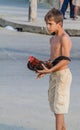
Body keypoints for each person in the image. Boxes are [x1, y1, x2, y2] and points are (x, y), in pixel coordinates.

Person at [37, 8, 72, 130]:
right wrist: (44, 69)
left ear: (59, 24)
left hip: (62, 75)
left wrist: (50, 70)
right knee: (55, 108)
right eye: (46, 23)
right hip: (54, 75)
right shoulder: (52, 39)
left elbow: (65, 59)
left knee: (59, 107)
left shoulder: (64, 38)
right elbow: (53, 59)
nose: (48, 26)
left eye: (50, 24)